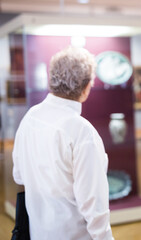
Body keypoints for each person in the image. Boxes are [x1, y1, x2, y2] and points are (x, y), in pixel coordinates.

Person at [12, 46, 114, 240]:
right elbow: (94, 206)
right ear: (86, 87)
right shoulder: (82, 132)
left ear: (52, 79)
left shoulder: (30, 118)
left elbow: (19, 176)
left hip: (37, 233)